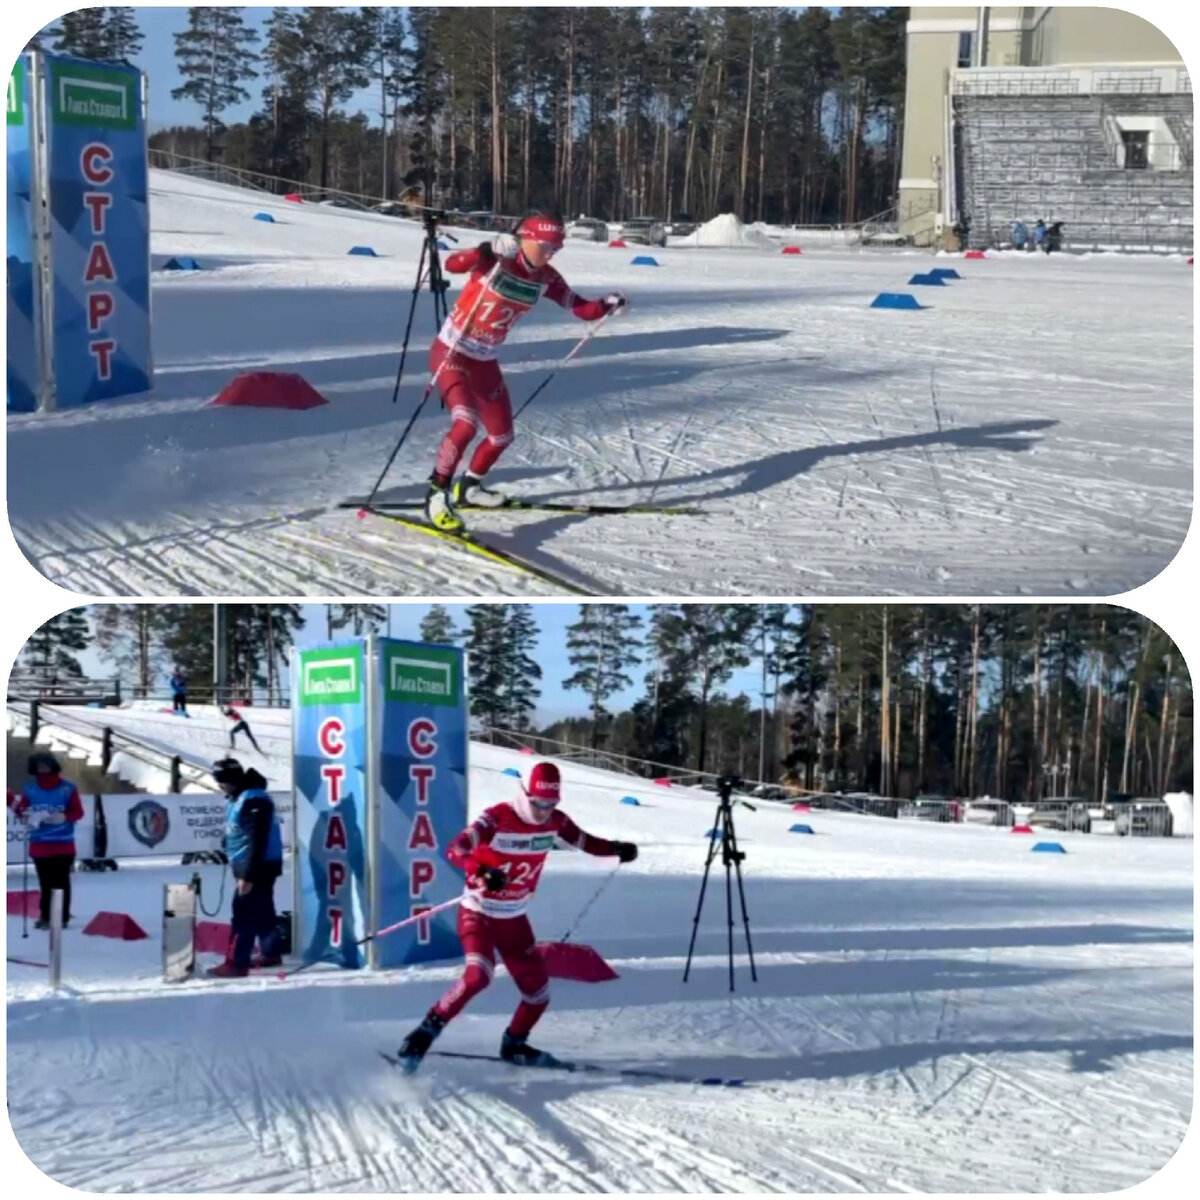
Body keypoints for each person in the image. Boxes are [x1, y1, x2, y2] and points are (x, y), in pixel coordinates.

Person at [396, 761, 638, 1071]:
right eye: (539, 803)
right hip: (479, 912)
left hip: (513, 917)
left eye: (551, 804)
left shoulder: (556, 822)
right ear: (526, 794)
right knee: (478, 975)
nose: (544, 811)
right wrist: (481, 870)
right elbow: (456, 849)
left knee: (538, 993)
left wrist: (616, 848)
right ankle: (423, 1035)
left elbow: (586, 842)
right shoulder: (498, 817)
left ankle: (514, 1044)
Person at [423, 212, 629, 532]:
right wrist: (482, 251)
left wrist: (606, 304)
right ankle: (436, 494)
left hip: (484, 358)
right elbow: (453, 266)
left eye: (556, 248)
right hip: (453, 351)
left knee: (502, 436)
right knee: (465, 423)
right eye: (545, 246)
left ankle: (470, 488)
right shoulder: (496, 260)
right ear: (526, 239)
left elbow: (579, 307)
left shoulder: (546, 276)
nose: (550, 253)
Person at [208, 758, 285, 977]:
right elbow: (240, 830)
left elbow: (257, 839)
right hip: (251, 864)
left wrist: (248, 875)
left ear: (232, 778)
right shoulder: (239, 798)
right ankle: (271, 952)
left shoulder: (253, 799)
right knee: (262, 911)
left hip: (256, 866)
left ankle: (237, 962)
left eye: (221, 780)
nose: (219, 785)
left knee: (243, 913)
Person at [13, 753, 84, 929]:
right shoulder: (30, 788)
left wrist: (64, 816)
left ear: (53, 765)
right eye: (39, 766)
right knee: (45, 883)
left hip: (63, 843)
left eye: (45, 765)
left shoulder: (68, 788)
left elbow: (78, 812)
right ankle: (45, 915)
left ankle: (61, 917)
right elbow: (22, 809)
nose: (42, 769)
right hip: (39, 843)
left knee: (61, 882)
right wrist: (26, 816)